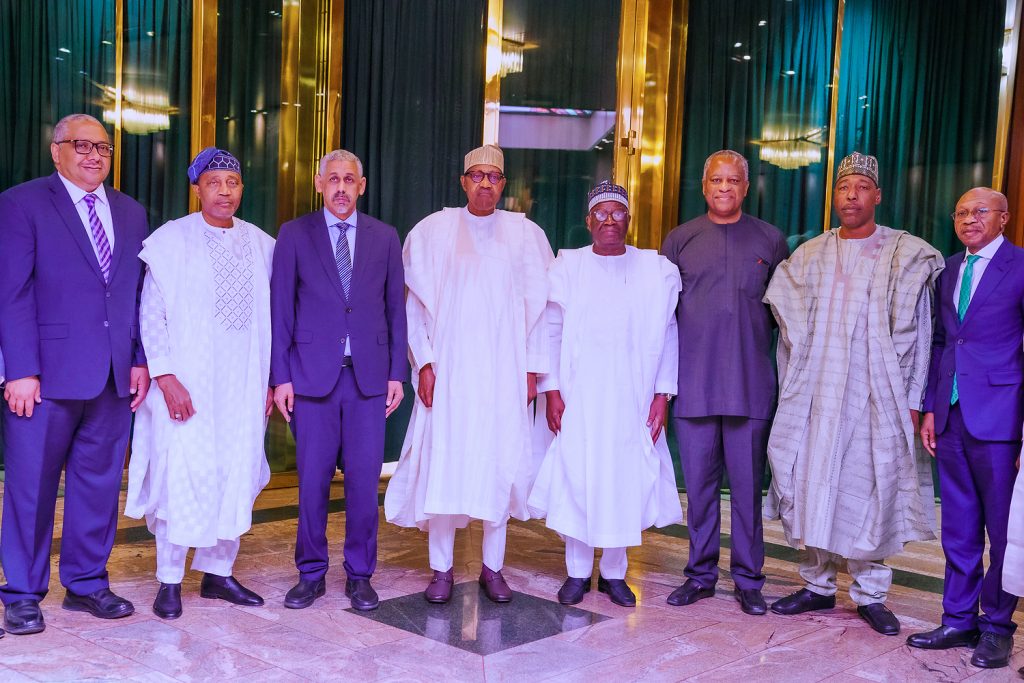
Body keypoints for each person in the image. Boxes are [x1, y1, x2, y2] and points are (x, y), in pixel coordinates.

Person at [764, 152, 944, 636]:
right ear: (834, 196)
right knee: (811, 484)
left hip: (875, 395)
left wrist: (911, 399)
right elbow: (785, 318)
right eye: (844, 188)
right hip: (818, 395)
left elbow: (921, 335)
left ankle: (871, 594)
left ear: (877, 195)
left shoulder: (904, 255)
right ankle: (817, 585)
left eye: (862, 187)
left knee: (870, 491)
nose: (851, 196)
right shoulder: (809, 255)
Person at [0, 113, 150, 635]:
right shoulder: (22, 203)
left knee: (99, 487)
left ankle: (86, 583)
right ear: (56, 150)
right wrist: (20, 369)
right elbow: (12, 292)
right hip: (43, 379)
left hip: (111, 376)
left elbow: (136, 295)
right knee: (31, 490)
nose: (93, 156)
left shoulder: (131, 212)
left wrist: (138, 358)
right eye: (81, 145)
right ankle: (22, 593)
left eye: (102, 148)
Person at [384, 144, 553, 604]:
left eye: (493, 177)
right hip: (450, 374)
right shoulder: (432, 231)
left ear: (503, 184)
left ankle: (492, 568)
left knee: (499, 463)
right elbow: (414, 308)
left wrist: (532, 371)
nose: (484, 184)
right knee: (446, 463)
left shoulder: (526, 235)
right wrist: (425, 363)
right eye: (476, 176)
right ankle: (441, 570)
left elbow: (540, 313)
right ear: (463, 182)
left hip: (504, 374)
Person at [126, 148, 275, 619]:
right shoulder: (172, 240)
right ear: (197, 190)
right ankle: (169, 580)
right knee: (181, 475)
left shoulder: (262, 244)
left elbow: (277, 318)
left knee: (235, 472)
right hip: (186, 386)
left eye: (232, 183)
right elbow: (151, 313)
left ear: (242, 189)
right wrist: (166, 376)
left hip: (243, 386)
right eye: (214, 183)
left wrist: (270, 382)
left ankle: (218, 573)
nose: (224, 191)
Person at [528, 181, 682, 607]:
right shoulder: (568, 266)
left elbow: (668, 333)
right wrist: (551, 391)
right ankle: (577, 573)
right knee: (577, 476)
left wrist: (662, 395)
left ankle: (614, 574)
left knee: (623, 480)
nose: (609, 220)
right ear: (588, 221)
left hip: (633, 397)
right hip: (579, 396)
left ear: (629, 220)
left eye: (617, 213)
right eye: (601, 213)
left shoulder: (654, 269)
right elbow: (551, 331)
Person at [271, 149, 407, 612]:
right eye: (334, 179)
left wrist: (397, 372)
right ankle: (310, 574)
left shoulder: (384, 237)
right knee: (312, 483)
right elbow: (280, 311)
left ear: (361, 186)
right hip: (311, 380)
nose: (342, 188)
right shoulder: (294, 234)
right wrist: (281, 377)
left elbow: (396, 310)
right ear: (318, 183)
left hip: (369, 380)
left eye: (350, 179)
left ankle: (360, 575)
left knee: (364, 485)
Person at [660, 150, 789, 615]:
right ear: (704, 185)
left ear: (746, 187)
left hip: (750, 385)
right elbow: (662, 317)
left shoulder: (771, 240)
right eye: (716, 180)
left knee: (748, 491)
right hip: (694, 383)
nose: (724, 187)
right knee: (699, 489)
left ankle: (749, 580)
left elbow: (784, 316)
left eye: (733, 180)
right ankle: (700, 575)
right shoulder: (680, 240)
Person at [907, 188, 1023, 669]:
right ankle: (958, 619)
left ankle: (997, 627)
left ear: (1004, 218)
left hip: (1002, 418)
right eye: (961, 212)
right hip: (952, 415)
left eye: (980, 212)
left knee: (1003, 532)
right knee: (958, 527)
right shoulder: (950, 269)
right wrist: (933, 408)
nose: (969, 219)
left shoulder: (1020, 266)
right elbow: (943, 342)